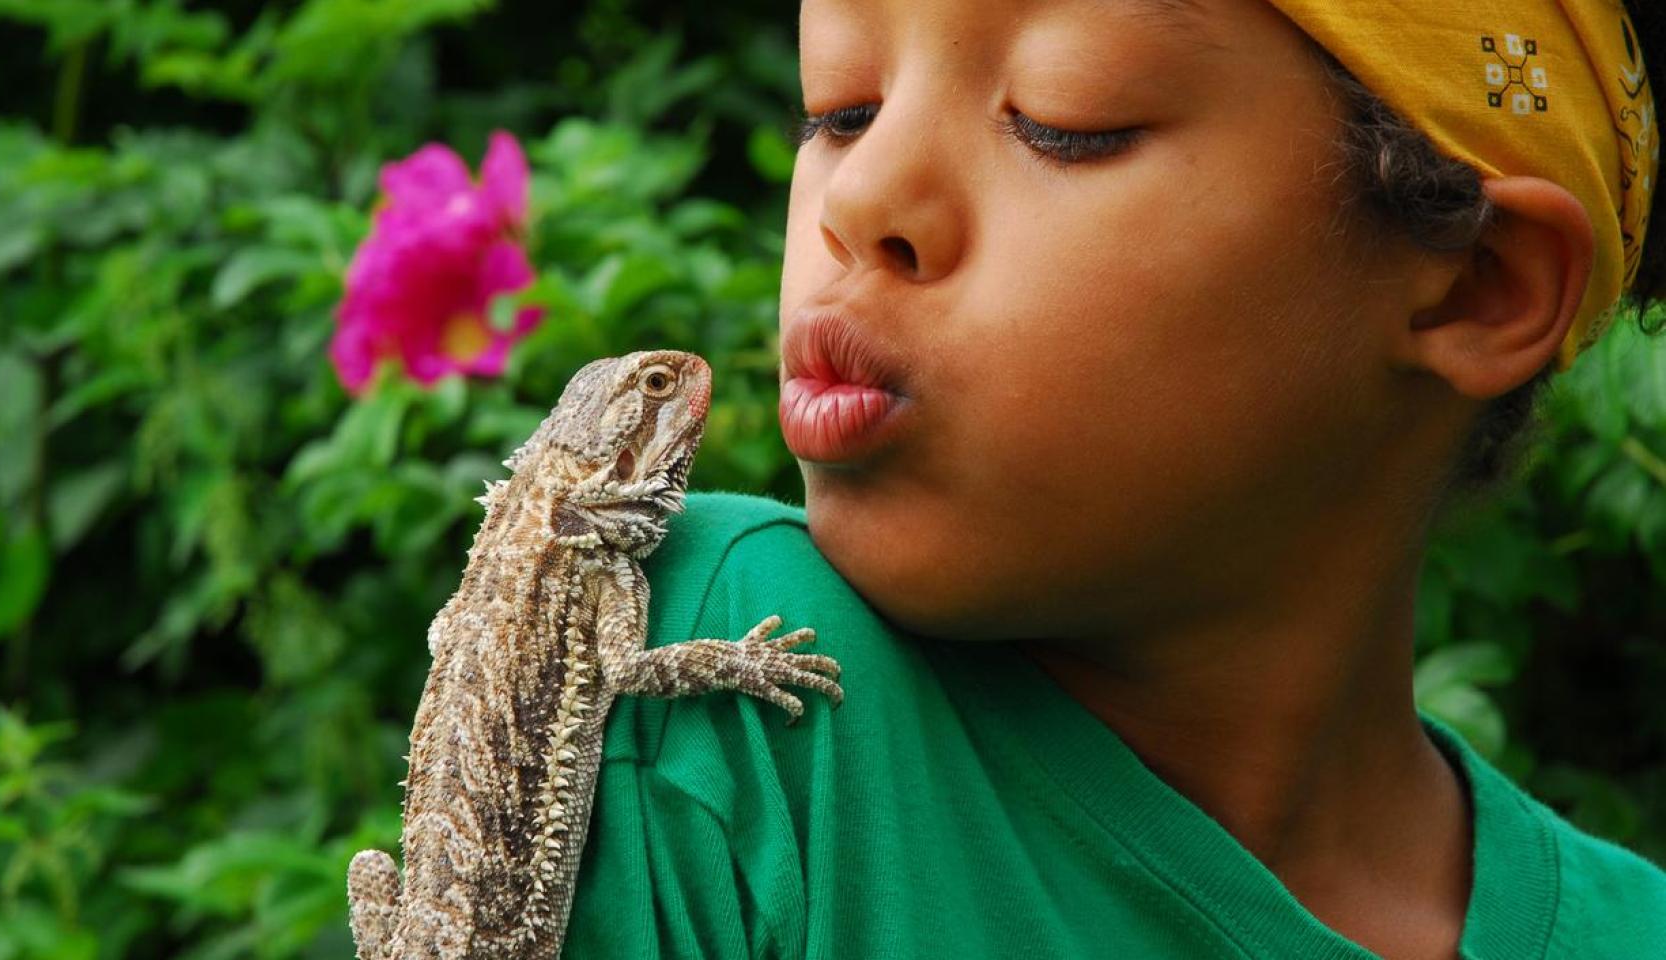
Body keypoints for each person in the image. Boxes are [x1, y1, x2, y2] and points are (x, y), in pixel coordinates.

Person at [565, 0, 1666, 956]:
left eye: (1061, 120)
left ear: (1474, 283)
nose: (856, 200)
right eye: (838, 108)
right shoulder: (717, 699)